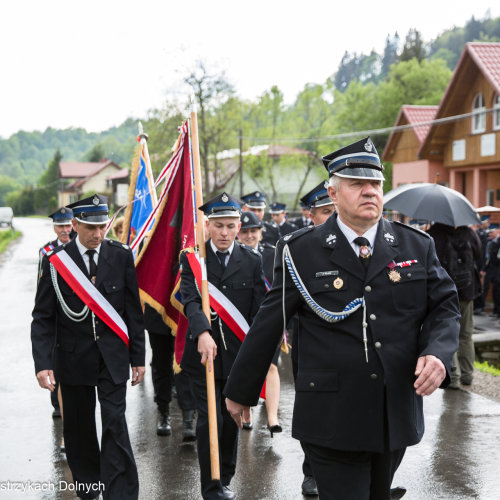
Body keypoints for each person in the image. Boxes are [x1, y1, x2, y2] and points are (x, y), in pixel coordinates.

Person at [225, 137, 460, 500]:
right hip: (331, 414)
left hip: (392, 411)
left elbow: (445, 307)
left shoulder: (416, 245)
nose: (370, 192)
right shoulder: (300, 251)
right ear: (333, 194)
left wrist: (438, 354)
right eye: (357, 184)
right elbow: (269, 322)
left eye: (376, 184)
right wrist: (241, 390)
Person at [31, 194, 146, 500]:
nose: (98, 234)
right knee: (79, 430)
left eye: (102, 226)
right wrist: (43, 363)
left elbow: (133, 312)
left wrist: (138, 357)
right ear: (75, 224)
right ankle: (89, 486)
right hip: (72, 358)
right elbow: (43, 316)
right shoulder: (56, 262)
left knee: (114, 423)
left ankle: (120, 491)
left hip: (112, 358)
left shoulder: (121, 255)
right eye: (90, 227)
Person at [180, 192, 267, 500]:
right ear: (208, 225)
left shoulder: (253, 260)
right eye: (218, 226)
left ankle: (225, 478)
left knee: (231, 419)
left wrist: (261, 350)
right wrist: (202, 331)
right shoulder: (193, 258)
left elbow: (259, 309)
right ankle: (211, 486)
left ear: (240, 226)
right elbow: (188, 298)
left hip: (237, 357)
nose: (225, 233)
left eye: (231, 226)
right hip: (203, 355)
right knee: (209, 421)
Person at [238, 211, 282, 435]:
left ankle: (272, 417)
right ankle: (247, 411)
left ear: (261, 232)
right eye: (244, 231)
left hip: (270, 319)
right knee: (246, 366)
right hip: (242, 321)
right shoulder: (236, 256)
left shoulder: (274, 254)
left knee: (271, 365)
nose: (249, 236)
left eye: (253, 231)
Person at [427, 223, 481, 388]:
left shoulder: (435, 233)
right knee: (466, 335)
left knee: (446, 334)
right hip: (467, 290)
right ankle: (468, 375)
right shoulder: (469, 232)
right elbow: (479, 254)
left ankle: (454, 377)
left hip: (444, 292)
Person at [38, 207, 74, 420]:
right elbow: (41, 284)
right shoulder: (47, 252)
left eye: (68, 225)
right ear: (54, 227)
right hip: (57, 313)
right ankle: (57, 402)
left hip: (75, 313)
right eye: (60, 226)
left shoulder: (80, 247)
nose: (65, 229)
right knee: (55, 357)